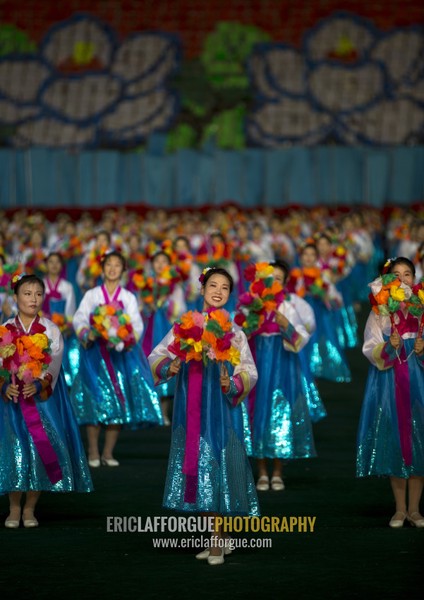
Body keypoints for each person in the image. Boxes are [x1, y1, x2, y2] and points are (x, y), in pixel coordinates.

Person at [148, 266, 259, 565]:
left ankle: (216, 539)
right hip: (191, 408)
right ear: (203, 289)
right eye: (213, 285)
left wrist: (232, 383)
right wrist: (168, 367)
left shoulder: (235, 332)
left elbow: (249, 371)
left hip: (222, 410)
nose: (219, 291)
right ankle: (218, 536)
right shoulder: (185, 324)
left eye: (225, 287)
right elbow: (158, 354)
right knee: (200, 465)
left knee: (217, 464)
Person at [0, 274, 93, 528]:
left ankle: (30, 508)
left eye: (38, 294)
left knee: (41, 448)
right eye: (27, 293)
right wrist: (4, 385)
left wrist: (40, 382)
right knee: (15, 448)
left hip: (41, 400)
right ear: (16, 297)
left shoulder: (51, 329)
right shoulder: (5, 329)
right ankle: (14, 507)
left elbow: (55, 362)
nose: (33, 298)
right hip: (11, 403)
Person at [70, 251, 163, 468]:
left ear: (123, 271)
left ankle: (108, 453)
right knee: (94, 401)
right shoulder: (92, 295)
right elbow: (79, 318)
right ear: (102, 270)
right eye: (108, 265)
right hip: (94, 356)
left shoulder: (128, 297)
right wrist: (87, 333)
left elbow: (137, 325)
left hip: (120, 357)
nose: (112, 268)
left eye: (117, 265)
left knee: (118, 403)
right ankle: (93, 450)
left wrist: (126, 337)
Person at [356, 257, 424, 528]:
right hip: (389, 380)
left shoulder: (420, 308)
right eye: (397, 275)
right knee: (396, 436)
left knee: (419, 437)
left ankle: (415, 509)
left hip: (418, 378)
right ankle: (399, 508)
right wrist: (388, 345)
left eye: (408, 274)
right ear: (388, 280)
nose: (403, 279)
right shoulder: (380, 311)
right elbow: (369, 346)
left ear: (414, 279)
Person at [248, 261, 317, 492]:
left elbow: (301, 337)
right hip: (257, 361)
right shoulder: (252, 305)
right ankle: (261, 470)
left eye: (278, 278)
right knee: (257, 411)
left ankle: (277, 470)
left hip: (281, 364)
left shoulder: (288, 306)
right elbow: (237, 334)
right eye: (269, 278)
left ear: (285, 282)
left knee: (279, 411)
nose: (273, 282)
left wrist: (285, 325)